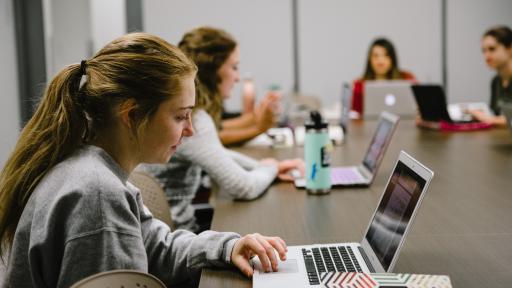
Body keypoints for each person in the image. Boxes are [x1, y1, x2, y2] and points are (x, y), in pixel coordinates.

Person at [0, 33, 287, 288]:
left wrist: (227, 247)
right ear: (132, 115)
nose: (189, 130)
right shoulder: (98, 193)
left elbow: (156, 247)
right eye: (180, 116)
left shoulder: (94, 171)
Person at [138, 27, 304, 233]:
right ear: (213, 70)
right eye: (234, 67)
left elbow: (217, 152)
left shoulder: (191, 114)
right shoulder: (195, 118)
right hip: (178, 237)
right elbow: (243, 187)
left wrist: (268, 167)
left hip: (172, 231)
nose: (237, 77)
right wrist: (269, 169)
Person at [352, 38, 417, 118]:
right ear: (370, 59)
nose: (380, 61)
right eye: (375, 56)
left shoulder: (407, 78)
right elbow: (355, 114)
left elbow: (417, 107)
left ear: (392, 58)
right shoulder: (359, 84)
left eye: (386, 55)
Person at [467, 25, 512, 127]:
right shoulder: (496, 81)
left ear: (510, 49)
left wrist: (488, 119)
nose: (486, 56)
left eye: (492, 49)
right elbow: (496, 115)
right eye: (484, 51)